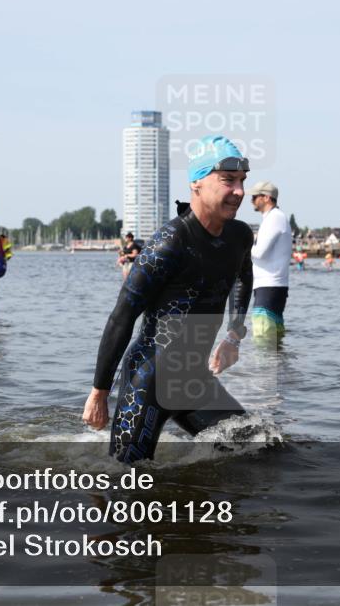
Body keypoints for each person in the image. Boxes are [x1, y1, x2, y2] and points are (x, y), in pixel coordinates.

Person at [82, 135, 253, 463]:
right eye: (228, 181)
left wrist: (234, 335)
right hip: (147, 383)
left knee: (255, 450)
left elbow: (245, 279)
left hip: (193, 381)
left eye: (242, 181)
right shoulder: (168, 244)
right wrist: (99, 392)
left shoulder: (239, 236)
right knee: (126, 483)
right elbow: (122, 316)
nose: (239, 192)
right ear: (197, 184)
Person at [248, 180, 292, 342]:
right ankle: (277, 367)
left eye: (254, 196)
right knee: (274, 339)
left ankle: (265, 368)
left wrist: (241, 246)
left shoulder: (274, 218)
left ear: (266, 198)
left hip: (269, 284)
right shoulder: (274, 217)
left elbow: (260, 253)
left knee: (263, 337)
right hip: (272, 284)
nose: (251, 200)